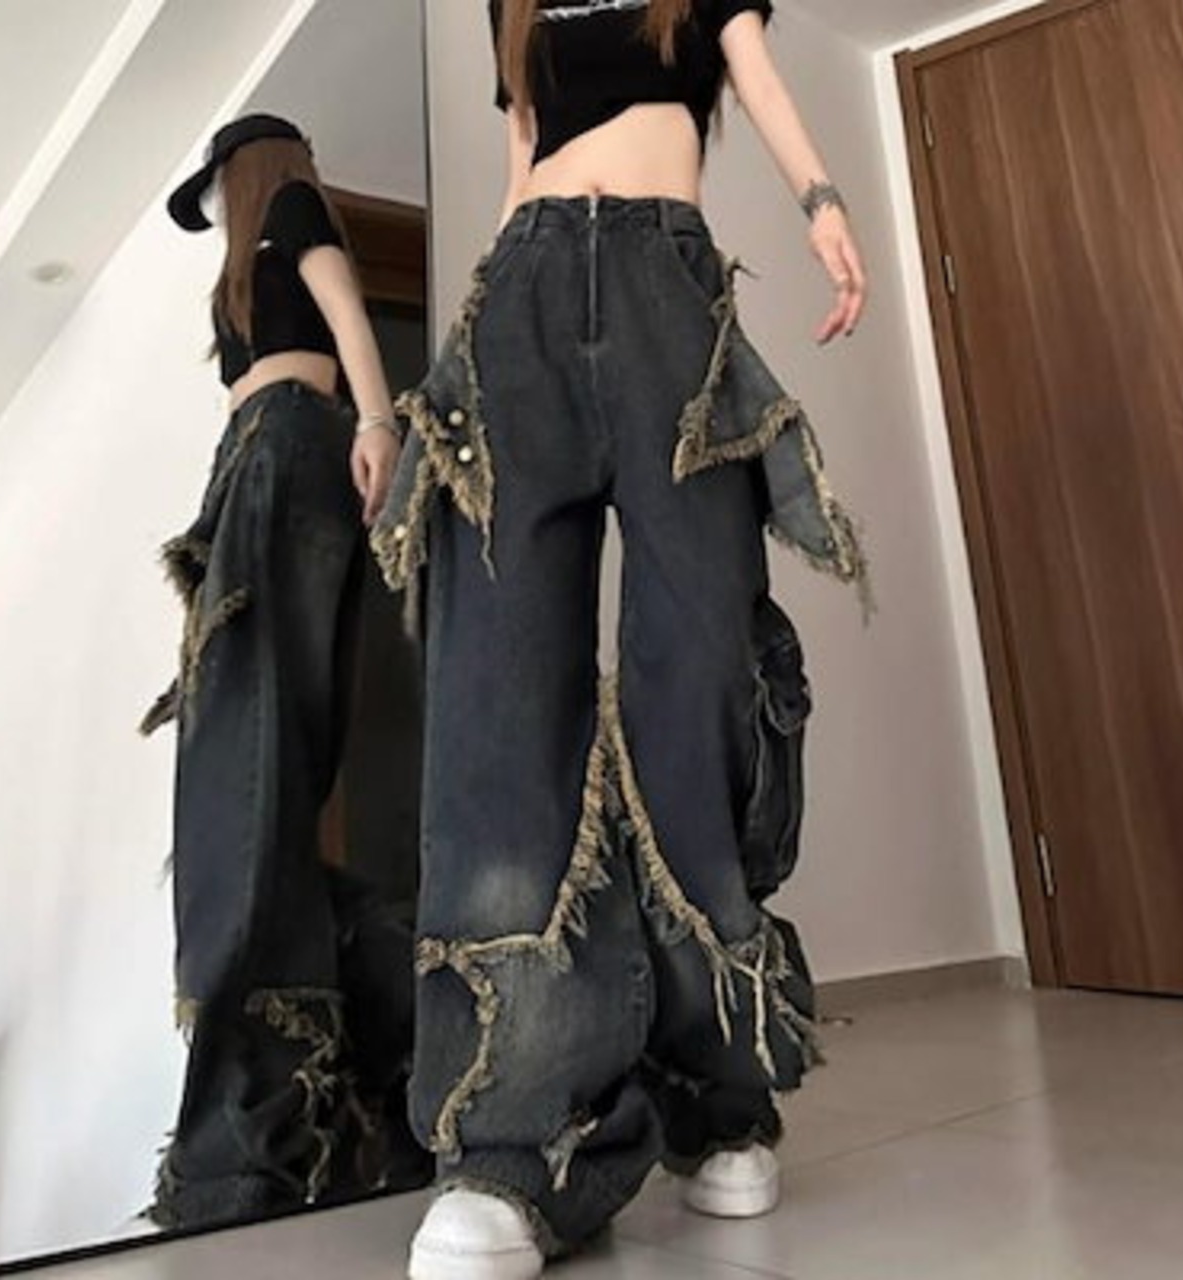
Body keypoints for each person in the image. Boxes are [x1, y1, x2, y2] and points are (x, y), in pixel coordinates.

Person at [373, 4, 870, 1276]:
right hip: (521, 297)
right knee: (499, 705)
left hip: (667, 287)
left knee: (697, 680)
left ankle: (717, 1097)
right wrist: (467, 340)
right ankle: (510, 1144)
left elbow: (755, 79)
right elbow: (521, 157)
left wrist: (821, 205)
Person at [145, 113, 429, 1228]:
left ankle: (258, 1128)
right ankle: (352, 1078)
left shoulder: (293, 209)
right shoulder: (248, 264)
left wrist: (378, 422)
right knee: (257, 768)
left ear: (243, 171)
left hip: (289, 441)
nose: (218, 206)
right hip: (250, 455)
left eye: (220, 185)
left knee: (252, 760)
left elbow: (349, 312)